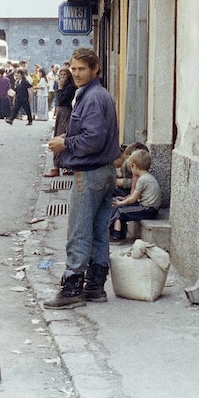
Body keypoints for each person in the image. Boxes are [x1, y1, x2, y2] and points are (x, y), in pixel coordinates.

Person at [45, 48, 121, 309]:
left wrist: (64, 142)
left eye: (81, 69)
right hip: (105, 171)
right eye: (74, 69)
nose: (76, 73)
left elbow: (93, 139)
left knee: (78, 230)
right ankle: (96, 286)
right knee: (99, 231)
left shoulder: (92, 98)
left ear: (95, 69)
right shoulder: (97, 95)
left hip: (88, 174)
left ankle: (72, 287)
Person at [108, 149, 161, 243]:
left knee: (120, 210)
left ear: (134, 166)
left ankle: (117, 235)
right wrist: (124, 199)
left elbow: (133, 198)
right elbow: (134, 196)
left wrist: (120, 202)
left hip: (148, 209)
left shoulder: (142, 180)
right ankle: (119, 232)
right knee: (121, 208)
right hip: (149, 208)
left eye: (130, 167)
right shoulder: (147, 177)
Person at [44, 66, 75, 177]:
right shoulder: (60, 86)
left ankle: (63, 165)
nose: (62, 77)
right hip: (60, 112)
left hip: (66, 112)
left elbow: (62, 100)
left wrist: (61, 87)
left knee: (62, 137)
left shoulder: (70, 87)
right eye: (60, 75)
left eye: (64, 75)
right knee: (57, 134)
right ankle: (57, 165)